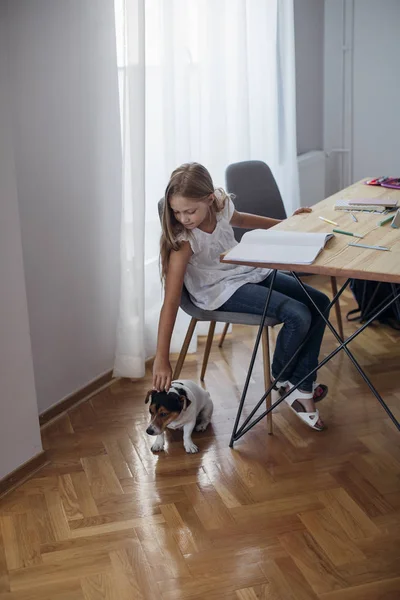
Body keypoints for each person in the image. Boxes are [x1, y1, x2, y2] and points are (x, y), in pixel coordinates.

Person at [152, 163, 330, 431]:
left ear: (210, 199)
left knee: (320, 302)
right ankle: (288, 380)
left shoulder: (221, 207)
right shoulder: (185, 240)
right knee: (297, 314)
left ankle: (296, 381)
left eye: (190, 211)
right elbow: (171, 301)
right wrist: (161, 358)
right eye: (177, 212)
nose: (184, 218)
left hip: (245, 270)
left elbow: (243, 220)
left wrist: (287, 226)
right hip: (218, 291)